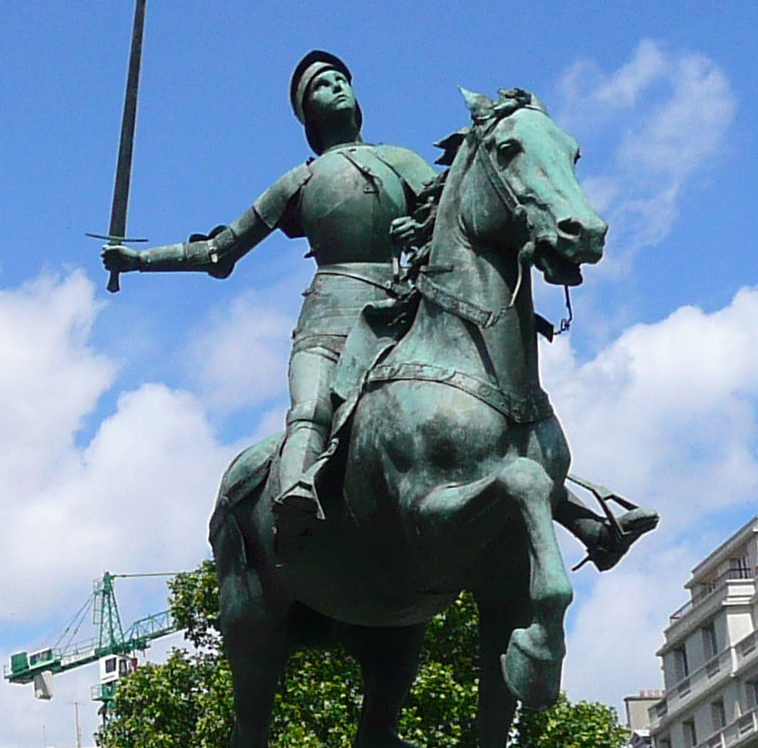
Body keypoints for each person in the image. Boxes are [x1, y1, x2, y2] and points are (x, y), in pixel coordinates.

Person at [107, 52, 653, 563]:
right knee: (312, 409)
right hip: (331, 317)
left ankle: (587, 511)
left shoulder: (401, 161)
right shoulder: (300, 180)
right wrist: (137, 259)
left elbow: (456, 205)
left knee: (488, 403)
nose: (336, 86)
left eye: (340, 78)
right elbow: (220, 251)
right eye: (320, 85)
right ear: (306, 112)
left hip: (405, 307)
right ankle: (295, 494)